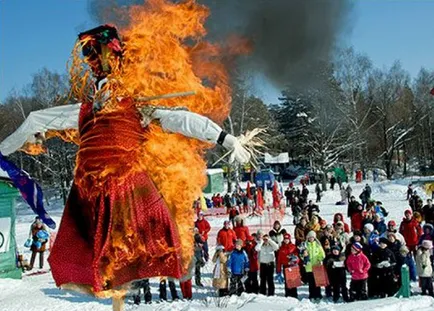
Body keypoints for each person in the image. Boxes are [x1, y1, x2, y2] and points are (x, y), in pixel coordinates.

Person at [47, 22, 252, 306]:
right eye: (89, 57)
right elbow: (40, 120)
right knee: (89, 251)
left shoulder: (137, 104)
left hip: (129, 189)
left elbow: (183, 119)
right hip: (91, 192)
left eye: (98, 54)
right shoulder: (86, 111)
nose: (94, 64)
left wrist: (226, 138)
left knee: (133, 246)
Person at [301, 231, 325, 300]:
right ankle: (311, 295)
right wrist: (303, 256)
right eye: (310, 237)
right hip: (309, 267)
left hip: (316, 266)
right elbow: (301, 255)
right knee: (311, 283)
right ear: (307, 238)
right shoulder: (305, 245)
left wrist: (319, 259)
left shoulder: (318, 245)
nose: (311, 238)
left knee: (317, 282)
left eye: (312, 237)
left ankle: (318, 295)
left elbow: (322, 254)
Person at [276, 233, 299, 298]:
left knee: (293, 281)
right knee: (287, 281)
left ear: (289, 239)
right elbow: (279, 260)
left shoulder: (293, 247)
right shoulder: (281, 248)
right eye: (285, 239)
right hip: (285, 266)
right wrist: (278, 271)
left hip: (292, 266)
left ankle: (294, 295)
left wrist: (295, 260)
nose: (286, 240)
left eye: (287, 239)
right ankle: (288, 294)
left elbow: (297, 257)